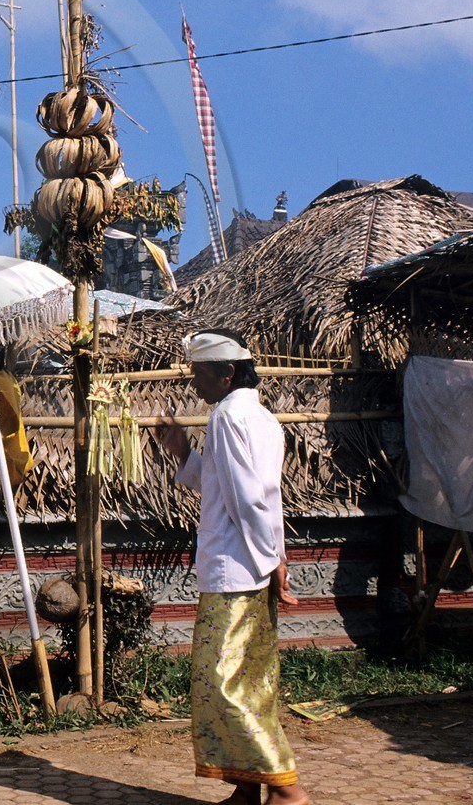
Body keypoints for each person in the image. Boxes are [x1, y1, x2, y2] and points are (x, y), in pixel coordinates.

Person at [155, 330, 310, 805]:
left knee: (222, 683)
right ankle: (246, 789)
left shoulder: (227, 416)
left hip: (237, 571)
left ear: (227, 372)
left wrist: (272, 560)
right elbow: (237, 490)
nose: (194, 381)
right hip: (249, 566)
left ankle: (287, 790)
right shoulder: (259, 417)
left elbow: (248, 501)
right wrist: (183, 453)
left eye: (200, 372)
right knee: (248, 680)